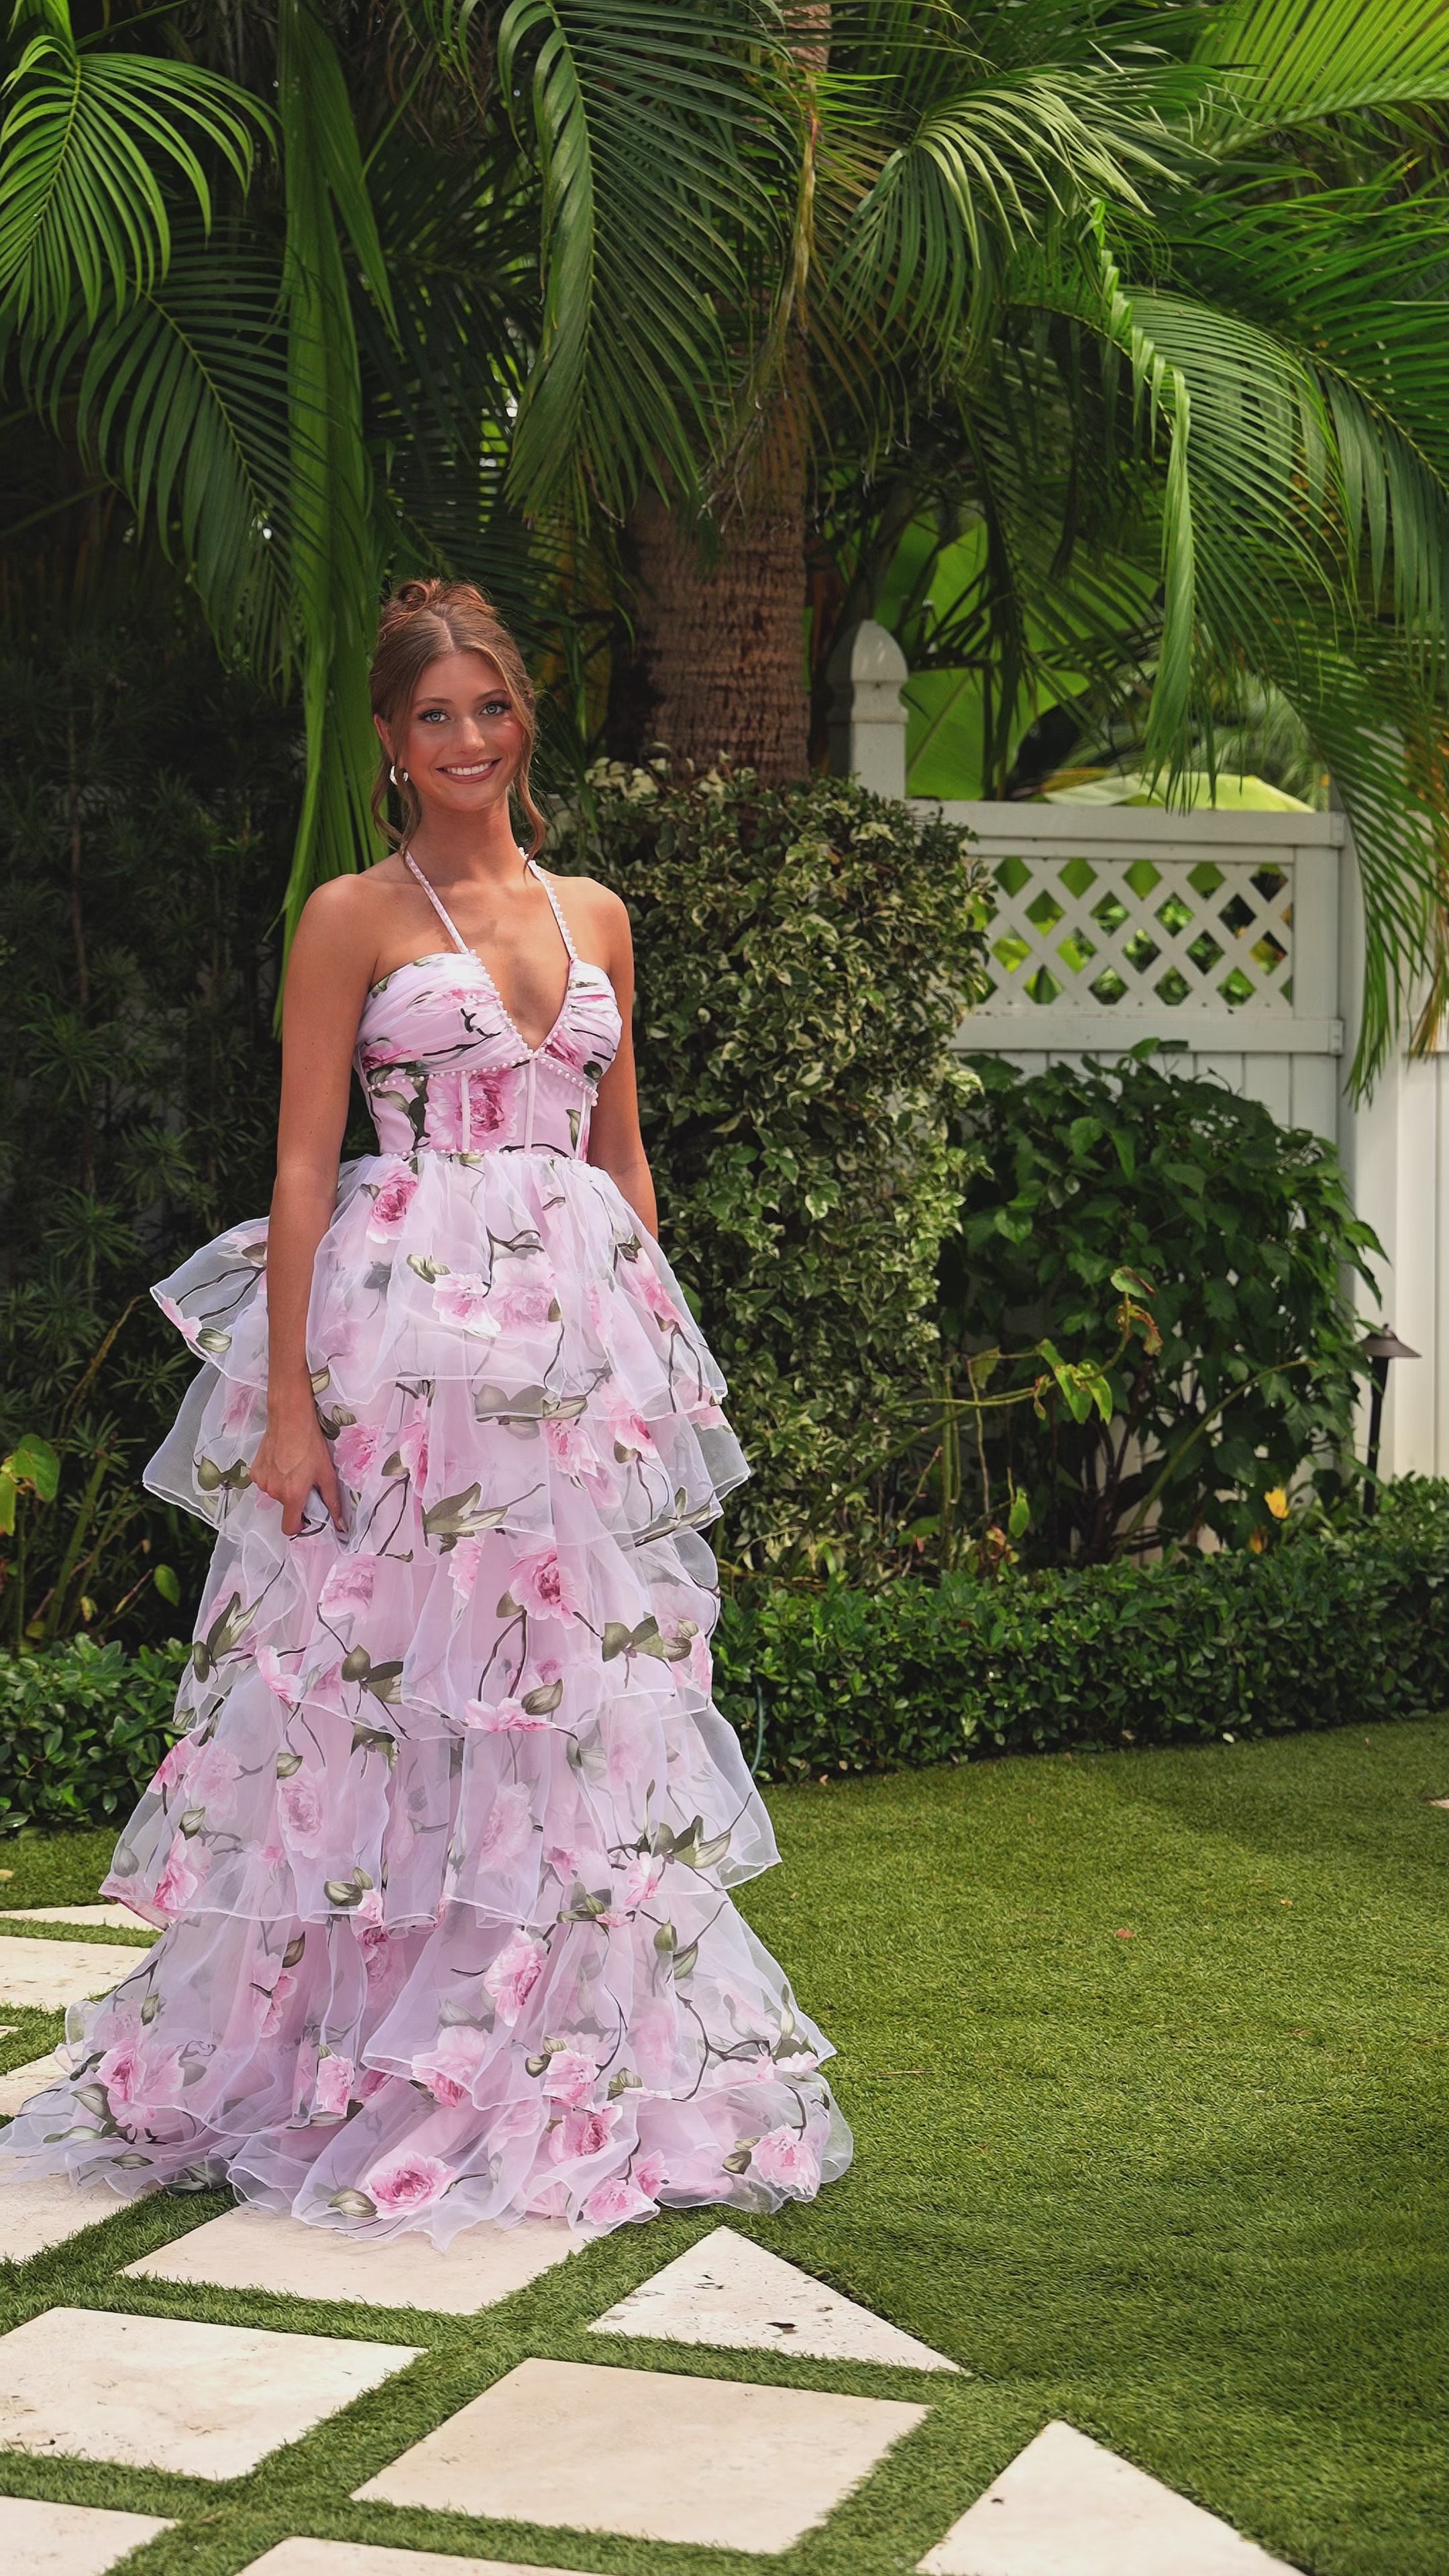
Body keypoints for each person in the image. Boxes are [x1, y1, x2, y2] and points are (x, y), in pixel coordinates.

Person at [0, 580, 851, 2241]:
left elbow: (621, 1160)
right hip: (403, 1359)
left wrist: (651, 1370)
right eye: (436, 716)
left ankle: (552, 2047)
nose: (469, 739)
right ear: (390, 743)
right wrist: (290, 1403)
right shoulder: (352, 916)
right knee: (378, 1692)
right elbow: (301, 1165)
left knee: (561, 1700)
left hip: (570, 1378)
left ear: (526, 721)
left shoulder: (597, 915)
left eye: (492, 708)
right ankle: (348, 2054)